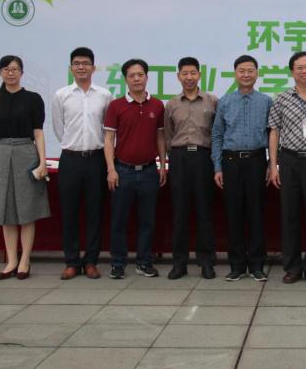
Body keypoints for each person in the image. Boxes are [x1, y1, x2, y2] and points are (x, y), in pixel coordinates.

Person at [0, 55, 50, 280]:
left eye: (14, 69)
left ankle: (25, 261)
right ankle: (11, 260)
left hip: (25, 152)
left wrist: (42, 162)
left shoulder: (33, 99)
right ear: (0, 72)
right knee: (5, 209)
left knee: (27, 209)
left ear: (22, 72)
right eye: (6, 69)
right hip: (1, 153)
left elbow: (38, 132)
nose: (10, 73)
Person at [268, 51, 306, 285]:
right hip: (289, 160)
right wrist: (273, 165)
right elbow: (274, 132)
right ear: (292, 72)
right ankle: (292, 267)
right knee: (290, 215)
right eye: (299, 68)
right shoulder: (282, 99)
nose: (304, 71)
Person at [51, 47, 112, 280]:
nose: (81, 67)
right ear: (70, 68)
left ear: (93, 68)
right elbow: (59, 128)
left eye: (86, 63)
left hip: (96, 159)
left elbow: (108, 130)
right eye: (76, 63)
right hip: (70, 159)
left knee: (95, 212)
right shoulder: (61, 95)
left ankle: (91, 261)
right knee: (69, 212)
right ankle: (72, 262)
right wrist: (73, 145)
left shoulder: (104, 95)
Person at [104, 59, 167, 279]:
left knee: (147, 221)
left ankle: (144, 262)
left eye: (140, 75)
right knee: (119, 220)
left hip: (149, 171)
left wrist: (162, 165)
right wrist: (111, 169)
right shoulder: (116, 106)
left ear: (147, 77)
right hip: (123, 171)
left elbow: (160, 136)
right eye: (132, 75)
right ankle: (118, 263)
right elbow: (108, 139)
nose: (137, 79)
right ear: (126, 79)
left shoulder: (157, 105)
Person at [212, 55, 273, 282]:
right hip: (231, 162)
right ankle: (237, 266)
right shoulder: (225, 102)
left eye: (250, 71)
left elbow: (273, 135)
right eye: (242, 71)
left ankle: (257, 265)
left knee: (256, 213)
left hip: (257, 161)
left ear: (257, 74)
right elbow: (217, 135)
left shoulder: (266, 101)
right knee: (234, 214)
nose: (246, 75)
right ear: (235, 74)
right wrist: (217, 167)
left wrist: (271, 164)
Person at [164, 57, 218, 280]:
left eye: (193, 73)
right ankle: (179, 263)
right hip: (179, 159)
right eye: (185, 73)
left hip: (204, 158)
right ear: (178, 76)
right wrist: (174, 157)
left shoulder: (212, 101)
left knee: (205, 211)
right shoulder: (171, 104)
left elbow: (217, 132)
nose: (189, 77)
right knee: (180, 212)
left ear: (199, 75)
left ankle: (206, 262)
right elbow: (168, 136)